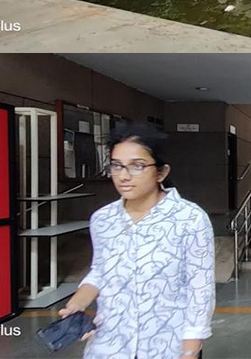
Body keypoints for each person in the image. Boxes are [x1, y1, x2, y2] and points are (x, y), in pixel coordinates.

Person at [59, 126, 215, 359]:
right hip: (109, 345)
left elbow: (200, 290)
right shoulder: (103, 220)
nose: (123, 176)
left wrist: (190, 349)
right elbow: (100, 271)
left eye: (137, 165)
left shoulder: (190, 219)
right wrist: (77, 304)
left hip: (166, 346)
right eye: (116, 165)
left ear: (161, 172)